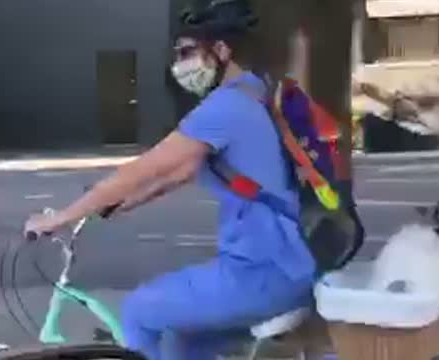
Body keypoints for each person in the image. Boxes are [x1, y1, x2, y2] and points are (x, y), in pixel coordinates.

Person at [24, 1, 316, 359]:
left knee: (138, 312)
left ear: (222, 51)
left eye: (189, 52)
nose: (180, 63)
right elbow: (180, 171)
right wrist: (119, 204)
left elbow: (143, 169)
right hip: (290, 265)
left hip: (260, 273)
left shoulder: (225, 107)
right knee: (181, 339)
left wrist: (59, 218)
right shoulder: (256, 91)